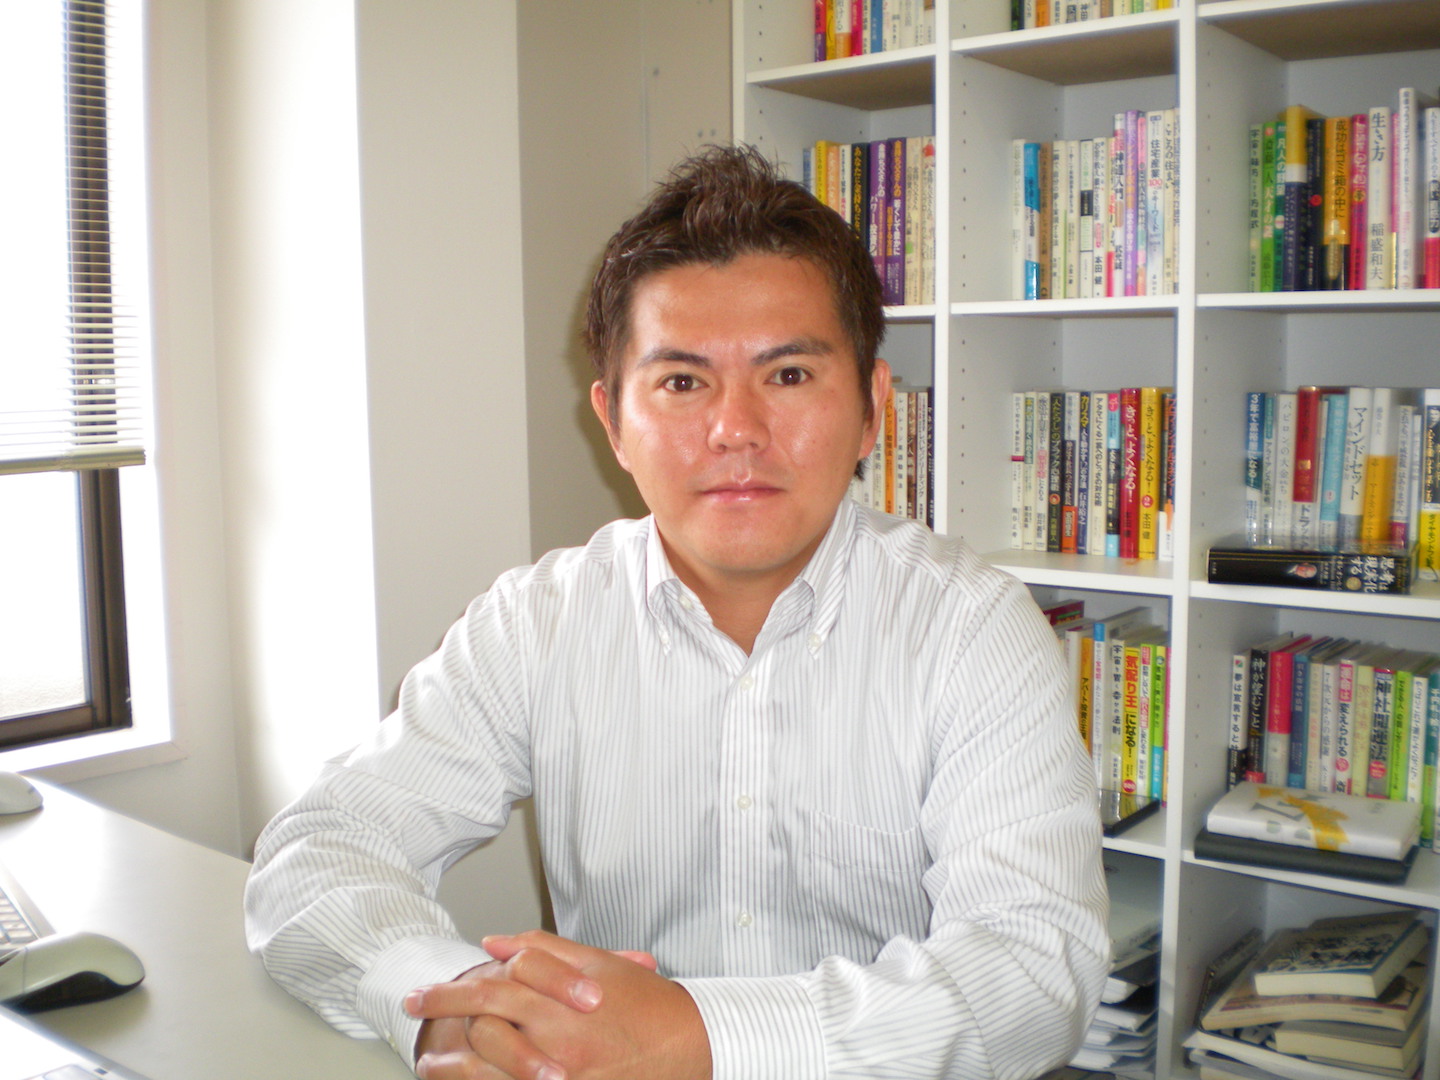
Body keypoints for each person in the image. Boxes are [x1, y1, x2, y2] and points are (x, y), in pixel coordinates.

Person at [244, 144, 1109, 1080]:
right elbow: (318, 852)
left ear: (872, 408)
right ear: (613, 422)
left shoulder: (972, 630)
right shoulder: (537, 623)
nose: (736, 430)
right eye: (682, 382)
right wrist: (457, 1009)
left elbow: (1034, 968)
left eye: (788, 375)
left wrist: (693, 1037)